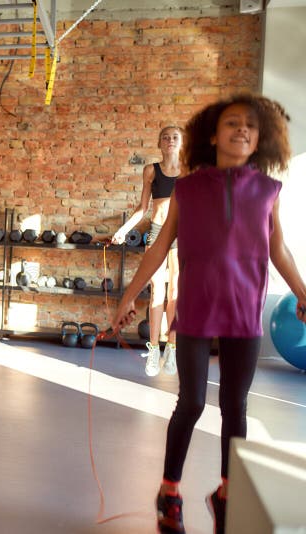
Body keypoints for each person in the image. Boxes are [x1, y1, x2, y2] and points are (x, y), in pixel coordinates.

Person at [110, 94, 306, 534]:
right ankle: (170, 491)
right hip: (198, 306)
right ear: (213, 135)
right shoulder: (186, 188)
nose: (241, 130)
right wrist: (129, 297)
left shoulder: (269, 191)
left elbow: (279, 249)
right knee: (192, 402)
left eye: (250, 127)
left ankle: (227, 493)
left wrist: (302, 292)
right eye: (232, 123)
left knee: (236, 407)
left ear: (260, 140)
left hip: (245, 310)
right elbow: (160, 247)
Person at [112, 126, 183, 377]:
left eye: (175, 137)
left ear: (181, 142)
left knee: (175, 292)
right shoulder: (151, 171)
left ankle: (171, 349)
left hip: (181, 235)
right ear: (159, 143)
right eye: (165, 137)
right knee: (157, 291)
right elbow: (143, 208)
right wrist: (123, 229)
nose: (170, 141)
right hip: (156, 232)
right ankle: (153, 350)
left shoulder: (190, 171)